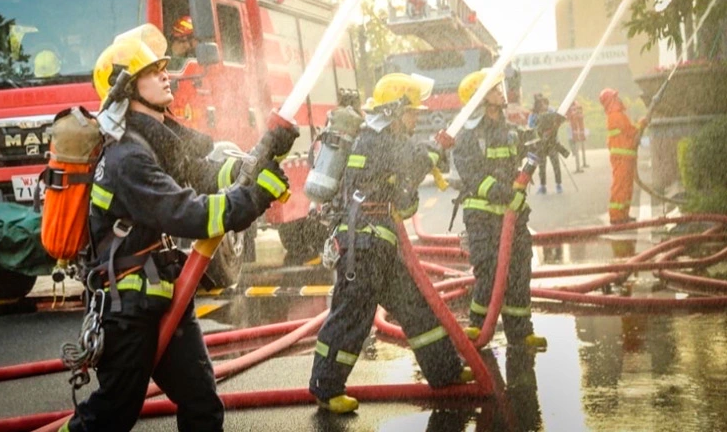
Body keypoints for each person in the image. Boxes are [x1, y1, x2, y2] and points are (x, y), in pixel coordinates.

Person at [63, 29, 298, 432]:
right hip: (127, 310)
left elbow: (210, 175)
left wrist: (261, 155)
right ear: (126, 90)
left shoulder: (153, 143)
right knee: (110, 416)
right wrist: (255, 198)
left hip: (162, 295)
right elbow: (188, 214)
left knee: (202, 403)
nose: (165, 73)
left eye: (162, 66)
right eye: (152, 71)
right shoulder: (127, 158)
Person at [309, 72, 473, 415]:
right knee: (353, 314)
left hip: (378, 244)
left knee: (415, 305)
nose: (417, 117)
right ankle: (326, 387)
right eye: (412, 111)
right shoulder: (375, 139)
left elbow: (403, 198)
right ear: (395, 111)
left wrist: (431, 156)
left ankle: (445, 372)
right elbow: (412, 160)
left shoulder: (384, 140)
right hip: (362, 246)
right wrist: (436, 149)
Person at [453, 69, 547, 351]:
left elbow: (528, 149)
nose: (501, 92)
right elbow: (473, 175)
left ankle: (521, 332)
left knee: (519, 266)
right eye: (494, 89)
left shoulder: (509, 130)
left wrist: (545, 135)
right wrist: (508, 195)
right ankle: (478, 327)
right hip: (482, 215)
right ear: (480, 98)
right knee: (491, 268)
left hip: (512, 213)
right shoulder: (467, 135)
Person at [599, 88, 645, 225]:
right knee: (620, 186)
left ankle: (623, 214)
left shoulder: (618, 115)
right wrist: (642, 123)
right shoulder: (616, 116)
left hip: (626, 157)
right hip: (622, 158)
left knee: (626, 187)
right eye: (616, 97)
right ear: (611, 101)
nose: (619, 99)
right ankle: (616, 216)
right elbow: (631, 131)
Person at [527, 94, 563, 194]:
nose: (543, 105)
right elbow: (530, 127)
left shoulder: (551, 111)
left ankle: (559, 185)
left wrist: (551, 130)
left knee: (555, 164)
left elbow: (559, 121)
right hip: (540, 143)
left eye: (543, 103)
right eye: (540, 103)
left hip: (552, 142)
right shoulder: (533, 115)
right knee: (542, 165)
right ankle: (543, 186)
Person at [565, 101, 589, 173]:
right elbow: (581, 115)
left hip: (573, 128)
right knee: (576, 143)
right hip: (578, 128)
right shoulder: (578, 105)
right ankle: (579, 159)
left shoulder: (569, 107)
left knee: (572, 143)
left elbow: (567, 117)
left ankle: (574, 154)